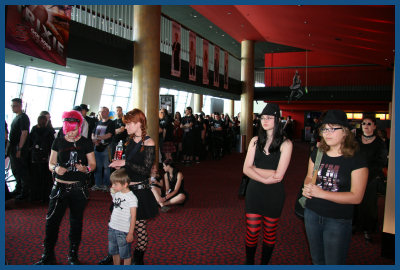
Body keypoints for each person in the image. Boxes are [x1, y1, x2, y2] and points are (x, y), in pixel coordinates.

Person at [302, 109, 368, 265]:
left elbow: (356, 196)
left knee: (334, 262)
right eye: (325, 129)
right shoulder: (318, 153)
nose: (327, 133)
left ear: (345, 132)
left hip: (337, 219)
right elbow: (309, 177)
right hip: (312, 214)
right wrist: (307, 187)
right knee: (317, 260)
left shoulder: (356, 160)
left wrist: (321, 193)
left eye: (333, 129)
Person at [35, 110, 96, 265]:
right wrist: (55, 169)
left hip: (78, 188)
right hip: (59, 187)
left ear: (80, 127)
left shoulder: (86, 142)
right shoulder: (58, 141)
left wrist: (86, 169)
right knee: (52, 222)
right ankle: (47, 255)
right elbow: (50, 163)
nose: (70, 134)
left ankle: (73, 256)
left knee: (76, 222)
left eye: (74, 130)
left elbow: (93, 164)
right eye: (67, 130)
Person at [242, 103, 293, 265]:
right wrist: (265, 177)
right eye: (263, 117)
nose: (265, 120)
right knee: (252, 231)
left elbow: (279, 176)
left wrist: (255, 169)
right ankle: (249, 263)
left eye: (269, 118)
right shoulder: (255, 141)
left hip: (274, 194)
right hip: (255, 191)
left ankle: (264, 264)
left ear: (277, 120)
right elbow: (245, 169)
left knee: (270, 232)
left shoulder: (286, 144)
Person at [108, 108, 159, 265]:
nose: (126, 127)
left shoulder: (149, 142)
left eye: (129, 124)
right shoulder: (128, 140)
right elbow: (130, 166)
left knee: (139, 229)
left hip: (140, 192)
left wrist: (125, 163)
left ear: (138, 124)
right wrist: (120, 167)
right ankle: (114, 257)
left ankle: (138, 258)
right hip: (126, 190)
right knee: (117, 226)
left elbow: (145, 170)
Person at [353, 116, 388, 243]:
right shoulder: (355, 140)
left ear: (374, 126)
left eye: (369, 123)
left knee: (369, 204)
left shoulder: (380, 142)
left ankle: (368, 229)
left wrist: (368, 174)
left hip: (371, 177)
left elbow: (382, 161)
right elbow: (350, 156)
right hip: (355, 176)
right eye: (363, 123)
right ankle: (354, 225)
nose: (366, 126)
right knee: (354, 202)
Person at [108, 168, 137, 265]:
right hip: (112, 227)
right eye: (112, 183)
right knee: (114, 251)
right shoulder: (117, 193)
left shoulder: (132, 198)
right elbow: (115, 203)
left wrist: (130, 233)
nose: (112, 186)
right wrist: (113, 189)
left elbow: (133, 217)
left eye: (115, 184)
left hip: (123, 230)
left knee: (125, 254)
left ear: (125, 184)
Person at [29, 115, 55, 202]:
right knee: (45, 177)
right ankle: (45, 196)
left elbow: (30, 142)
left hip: (35, 156)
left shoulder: (34, 129)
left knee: (35, 177)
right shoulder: (49, 131)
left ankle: (35, 196)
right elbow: (52, 145)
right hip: (45, 156)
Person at [9, 98, 31, 201]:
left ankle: (24, 192)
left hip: (20, 148)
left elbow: (24, 133)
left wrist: (20, 148)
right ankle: (18, 189)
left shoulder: (23, 118)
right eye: (12, 106)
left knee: (22, 170)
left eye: (14, 105)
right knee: (15, 169)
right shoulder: (16, 117)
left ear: (20, 106)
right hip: (13, 147)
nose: (12, 107)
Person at [91, 106, 115, 191]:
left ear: (108, 112)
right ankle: (97, 184)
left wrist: (98, 138)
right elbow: (93, 133)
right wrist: (94, 139)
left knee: (106, 167)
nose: (102, 113)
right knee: (97, 166)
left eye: (104, 111)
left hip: (106, 147)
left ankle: (106, 184)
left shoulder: (111, 123)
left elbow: (109, 134)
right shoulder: (98, 123)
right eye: (101, 111)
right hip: (97, 147)